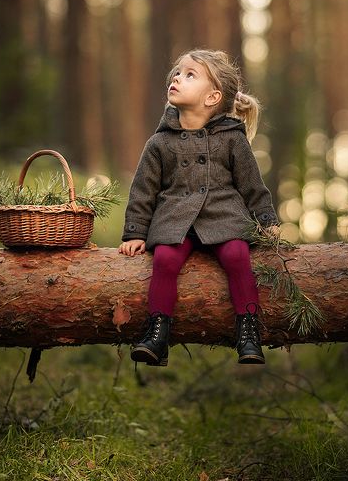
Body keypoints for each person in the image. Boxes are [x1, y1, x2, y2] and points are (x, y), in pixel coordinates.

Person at [118, 48, 280, 366]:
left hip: (224, 215)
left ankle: (248, 333)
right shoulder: (159, 143)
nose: (177, 77)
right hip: (174, 219)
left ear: (212, 97)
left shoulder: (232, 139)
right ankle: (157, 334)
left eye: (190, 74)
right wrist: (134, 233)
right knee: (164, 259)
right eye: (177, 73)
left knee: (237, 255)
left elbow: (251, 184)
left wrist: (266, 219)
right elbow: (143, 191)